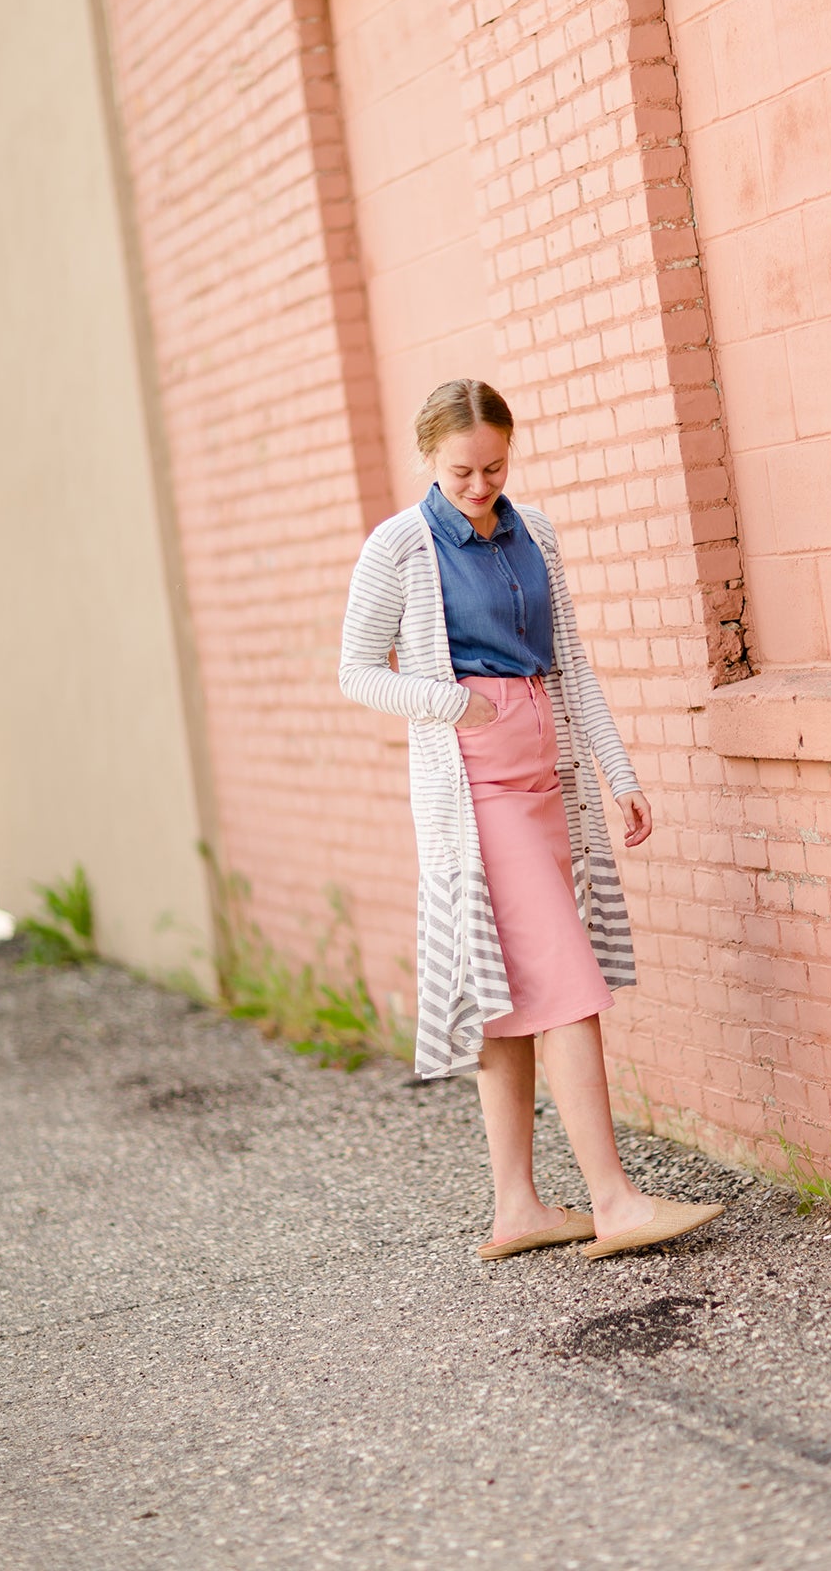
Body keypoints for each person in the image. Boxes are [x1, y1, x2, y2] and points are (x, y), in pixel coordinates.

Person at [339, 379, 723, 1262]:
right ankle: (614, 1199)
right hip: (477, 796)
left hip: (549, 787)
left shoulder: (533, 531)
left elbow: (572, 665)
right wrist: (448, 704)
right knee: (566, 981)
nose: (480, 486)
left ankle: (519, 1208)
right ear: (429, 460)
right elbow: (356, 670)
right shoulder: (397, 547)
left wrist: (616, 773)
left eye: (495, 467)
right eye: (462, 471)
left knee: (510, 998)